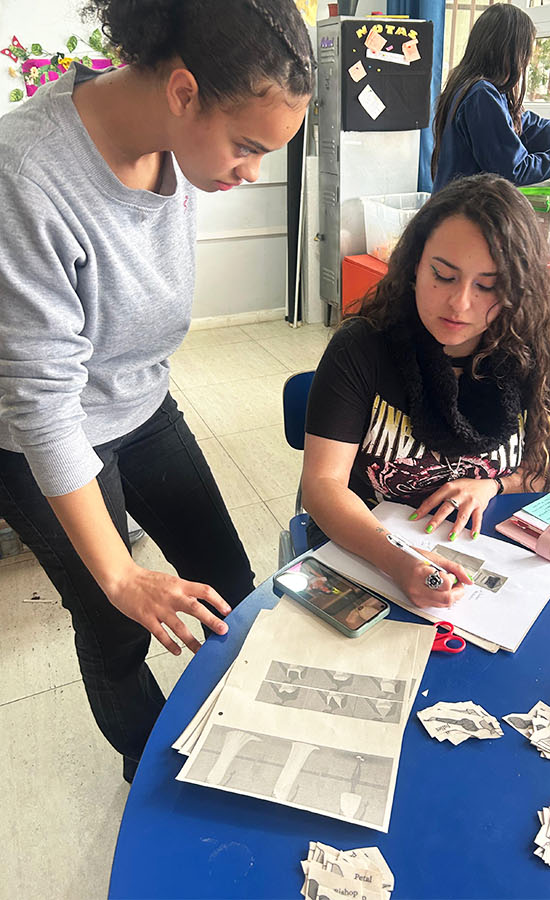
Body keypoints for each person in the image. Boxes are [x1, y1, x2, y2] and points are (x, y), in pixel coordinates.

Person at [0, 0, 313, 782]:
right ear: (182, 92)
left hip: (139, 402)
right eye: (247, 147)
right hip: (39, 433)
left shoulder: (177, 150)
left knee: (231, 592)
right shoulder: (27, 174)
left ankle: (250, 739)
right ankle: (153, 778)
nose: (252, 173)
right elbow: (43, 406)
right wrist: (119, 573)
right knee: (118, 624)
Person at [301, 174, 550, 611]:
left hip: (484, 565)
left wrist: (491, 487)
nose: (459, 304)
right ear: (415, 266)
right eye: (443, 275)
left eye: (488, 285)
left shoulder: (527, 353)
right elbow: (322, 485)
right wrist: (398, 560)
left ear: (517, 289)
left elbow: (539, 471)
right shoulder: (362, 348)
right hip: (368, 554)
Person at [430, 4, 550, 189]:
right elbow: (513, 170)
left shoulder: (475, 89)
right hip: (464, 211)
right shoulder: (481, 95)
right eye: (525, 54)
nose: (526, 62)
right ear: (509, 51)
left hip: (455, 207)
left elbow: (533, 127)